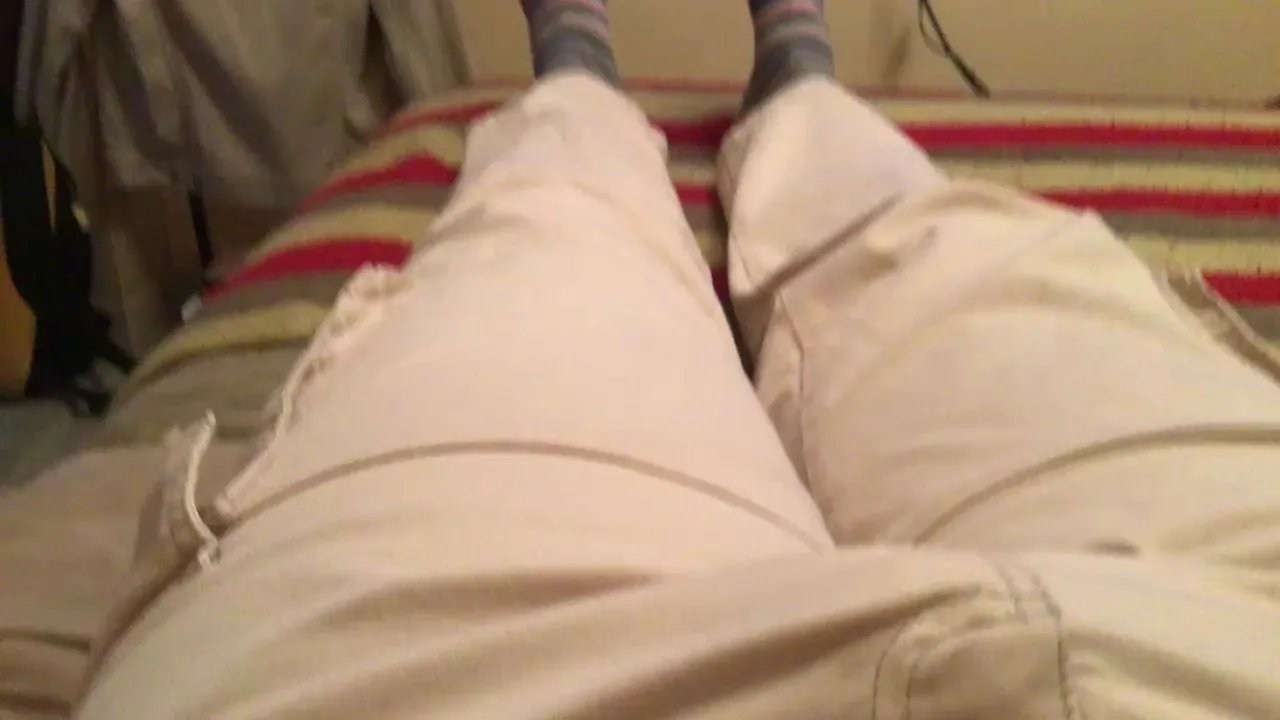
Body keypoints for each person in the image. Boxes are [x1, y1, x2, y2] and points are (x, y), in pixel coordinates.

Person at [76, 1, 1280, 717]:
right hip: (1217, 624)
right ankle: (794, 94)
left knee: (554, 238)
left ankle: (581, 89)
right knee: (941, 257)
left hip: (426, 674)